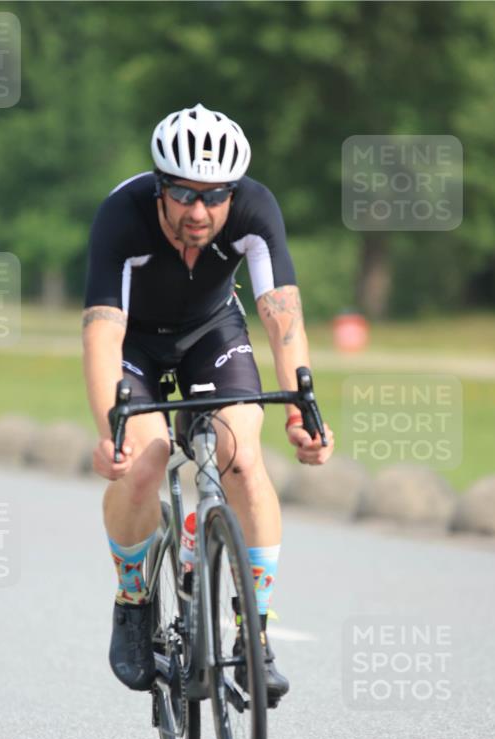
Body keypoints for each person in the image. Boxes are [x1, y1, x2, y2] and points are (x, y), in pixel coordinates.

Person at [82, 102, 334, 702]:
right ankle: (132, 599)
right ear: (161, 187)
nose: (199, 212)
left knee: (243, 457)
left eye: (215, 196)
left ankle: (256, 635)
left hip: (212, 333)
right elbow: (101, 331)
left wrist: (303, 408)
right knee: (148, 457)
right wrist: (108, 430)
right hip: (135, 343)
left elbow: (283, 317)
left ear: (234, 191)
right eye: (184, 195)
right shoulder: (123, 214)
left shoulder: (256, 208)